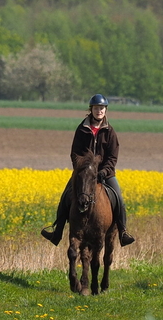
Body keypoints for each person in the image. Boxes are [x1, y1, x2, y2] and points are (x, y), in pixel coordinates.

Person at [40, 94, 135, 247]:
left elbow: (112, 156)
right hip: (83, 174)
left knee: (119, 198)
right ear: (91, 109)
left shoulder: (110, 131)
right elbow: (75, 152)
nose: (99, 111)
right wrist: (81, 169)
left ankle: (123, 232)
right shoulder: (82, 129)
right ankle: (56, 232)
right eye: (96, 108)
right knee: (65, 196)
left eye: (102, 108)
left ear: (105, 110)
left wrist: (104, 172)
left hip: (105, 174)